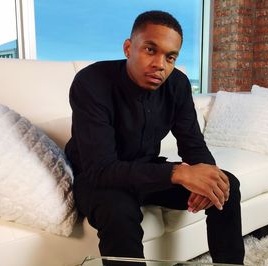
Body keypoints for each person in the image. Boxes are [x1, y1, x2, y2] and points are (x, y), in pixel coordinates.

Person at [65, 10, 245, 264]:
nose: (160, 64)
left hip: (147, 171)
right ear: (128, 47)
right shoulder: (91, 82)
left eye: (170, 57)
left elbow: (192, 142)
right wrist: (178, 173)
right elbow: (100, 168)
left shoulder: (178, 85)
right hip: (100, 180)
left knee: (226, 185)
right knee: (118, 211)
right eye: (150, 50)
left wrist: (206, 175)